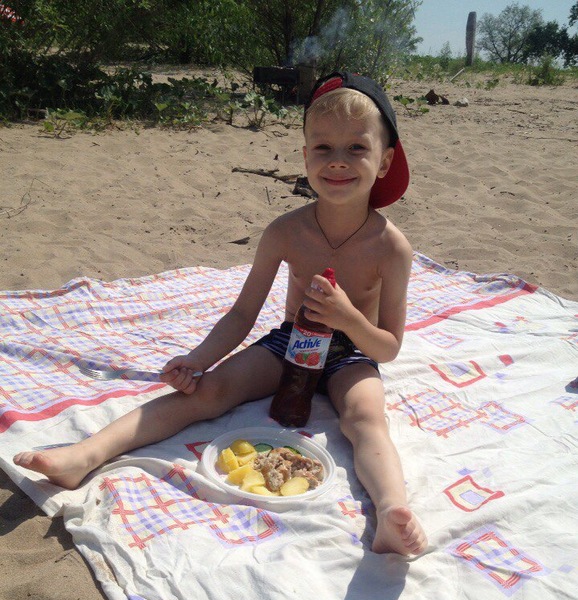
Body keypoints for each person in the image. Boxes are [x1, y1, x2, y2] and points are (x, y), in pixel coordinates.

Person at [14, 71, 427, 557]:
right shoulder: (286, 231)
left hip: (352, 353)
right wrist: (198, 359)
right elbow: (242, 313)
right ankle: (84, 455)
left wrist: (348, 318)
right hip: (291, 341)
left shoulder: (390, 247)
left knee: (365, 419)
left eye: (356, 148)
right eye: (323, 147)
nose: (338, 161)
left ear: (385, 161)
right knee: (207, 393)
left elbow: (388, 347)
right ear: (305, 156)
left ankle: (392, 511)